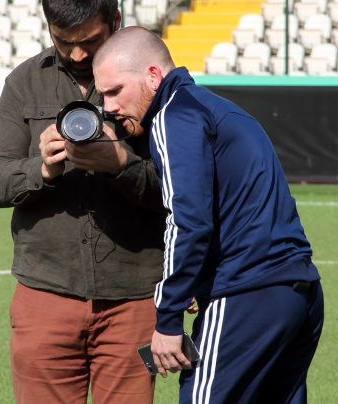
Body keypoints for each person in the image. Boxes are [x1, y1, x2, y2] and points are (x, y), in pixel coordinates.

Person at [92, 26, 324, 404]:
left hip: (247, 294)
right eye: (103, 95)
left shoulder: (173, 116)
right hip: (300, 294)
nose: (109, 106)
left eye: (115, 90)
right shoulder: (218, 108)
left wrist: (167, 319)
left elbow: (188, 221)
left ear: (153, 76)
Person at [0, 0, 167, 404]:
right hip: (45, 294)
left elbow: (181, 192)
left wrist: (120, 163)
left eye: (90, 41)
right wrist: (41, 169)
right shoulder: (25, 82)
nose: (78, 54)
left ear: (116, 21)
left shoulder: (154, 84)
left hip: (133, 298)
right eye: (64, 41)